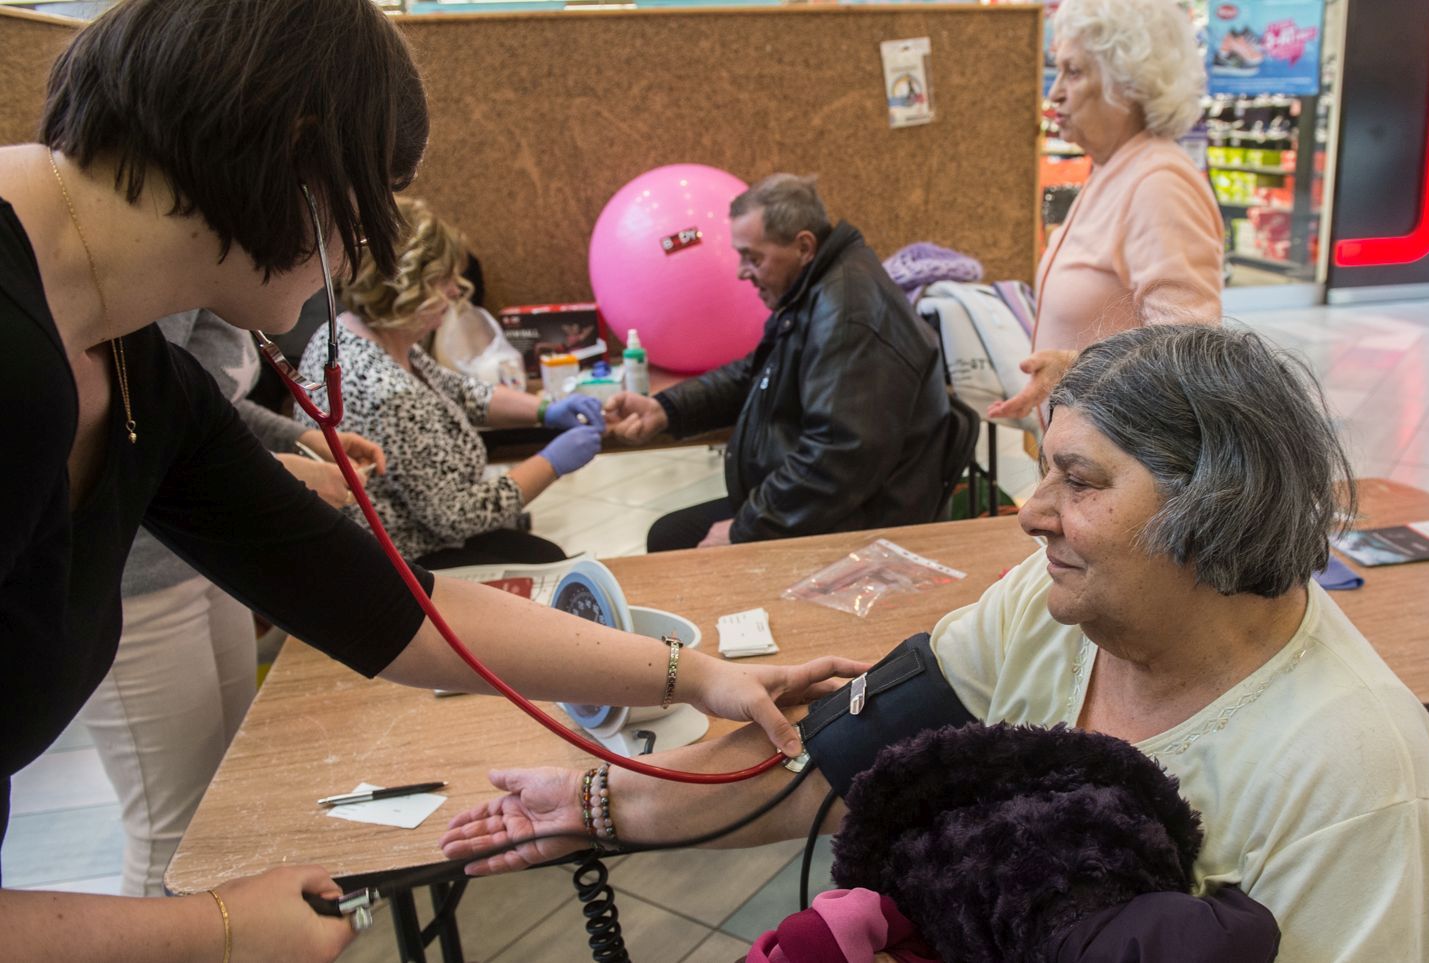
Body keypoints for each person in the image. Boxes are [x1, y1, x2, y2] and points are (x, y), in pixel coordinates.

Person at [0, 2, 863, 960]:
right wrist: (215, 929)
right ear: (300, 158)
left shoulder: (133, 366)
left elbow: (392, 607)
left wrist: (699, 675)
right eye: (369, 200)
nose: (358, 253)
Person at [444, 325, 1429, 961]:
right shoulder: (1048, 608)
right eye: (1043, 470)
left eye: (1080, 481)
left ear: (1214, 508)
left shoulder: (1355, 774)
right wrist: (605, 804)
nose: (1031, 513)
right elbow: (844, 761)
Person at [83, 309, 386, 899]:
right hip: (136, 582)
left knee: (225, 800)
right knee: (170, 828)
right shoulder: (136, 299)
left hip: (202, 560)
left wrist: (294, 437)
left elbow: (200, 404)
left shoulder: (205, 301)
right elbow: (123, 426)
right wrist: (275, 472)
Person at [603, 174, 960, 551]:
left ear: (804, 246)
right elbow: (756, 373)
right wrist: (666, 409)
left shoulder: (848, 315)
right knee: (668, 534)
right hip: (832, 507)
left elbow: (835, 460)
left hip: (861, 526)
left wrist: (744, 530)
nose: (741, 272)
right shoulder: (816, 287)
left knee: (671, 540)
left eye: (753, 257)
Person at [297, 196, 599, 568]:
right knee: (549, 561)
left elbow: (455, 389)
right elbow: (457, 515)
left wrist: (544, 409)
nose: (456, 290)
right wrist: (552, 462)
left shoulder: (349, 332)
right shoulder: (389, 391)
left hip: (410, 534)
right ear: (405, 285)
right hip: (405, 558)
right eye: (443, 280)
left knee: (541, 554)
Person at [989, 0, 1225, 426]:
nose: (1055, 92)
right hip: (1092, 444)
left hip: (1122, 454)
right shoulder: (1114, 168)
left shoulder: (1158, 185)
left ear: (1127, 84)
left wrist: (1075, 368)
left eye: (1074, 72)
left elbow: (1189, 360)